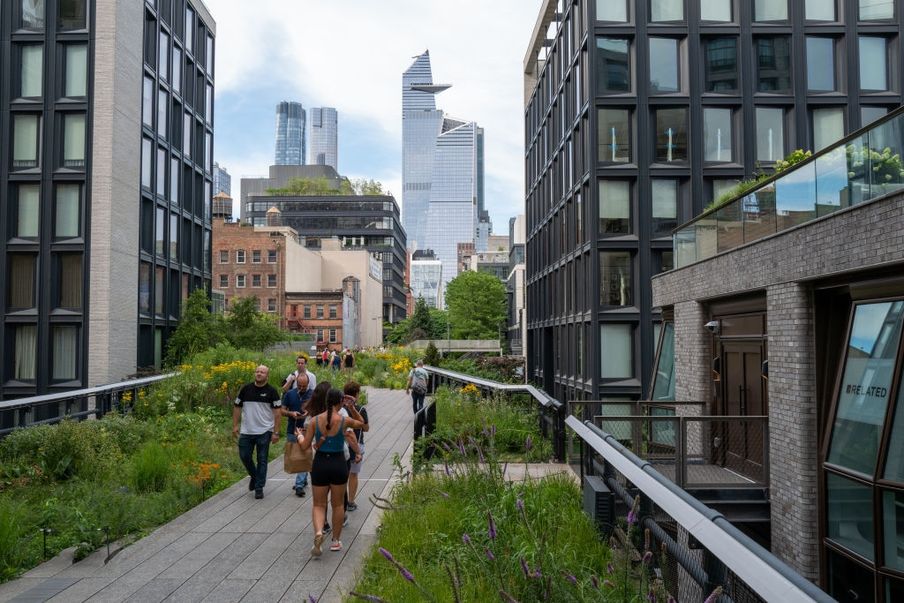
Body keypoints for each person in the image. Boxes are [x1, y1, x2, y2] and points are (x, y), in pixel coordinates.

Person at [296, 388, 365, 556]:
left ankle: (319, 532)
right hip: (338, 463)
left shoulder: (314, 421)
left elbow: (305, 446)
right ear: (340, 402)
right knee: (338, 505)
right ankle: (335, 540)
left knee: (319, 504)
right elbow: (361, 422)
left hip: (320, 464)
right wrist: (352, 407)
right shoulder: (343, 420)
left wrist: (299, 436)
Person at [233, 365, 282, 500]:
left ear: (267, 376)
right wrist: (235, 425)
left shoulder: (272, 391)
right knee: (244, 456)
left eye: (262, 372)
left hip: (264, 431)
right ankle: (254, 476)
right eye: (257, 371)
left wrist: (276, 432)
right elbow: (237, 407)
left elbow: (278, 413)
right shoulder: (245, 389)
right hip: (247, 430)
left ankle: (259, 487)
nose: (259, 374)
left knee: (262, 459)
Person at [281, 376, 309, 497]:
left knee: (303, 455)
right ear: (296, 383)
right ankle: (303, 478)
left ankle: (299, 485)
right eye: (299, 386)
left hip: (308, 430)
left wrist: (310, 412)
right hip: (292, 429)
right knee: (296, 456)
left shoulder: (313, 394)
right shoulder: (289, 394)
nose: (302, 388)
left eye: (304, 386)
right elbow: (282, 411)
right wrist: (290, 413)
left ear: (309, 383)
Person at [343, 381, 368, 511]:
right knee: (353, 474)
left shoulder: (340, 409)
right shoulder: (361, 409)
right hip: (357, 444)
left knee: (343, 475)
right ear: (357, 394)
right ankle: (351, 501)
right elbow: (366, 428)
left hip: (342, 445)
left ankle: (342, 500)